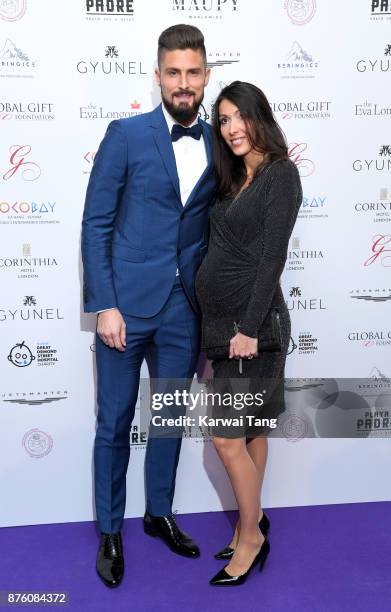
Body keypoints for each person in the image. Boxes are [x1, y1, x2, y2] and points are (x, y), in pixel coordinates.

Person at [81, 24, 216, 588]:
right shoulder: (127, 134)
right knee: (113, 423)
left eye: (193, 73)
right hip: (126, 309)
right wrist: (104, 304)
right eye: (173, 72)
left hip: (184, 310)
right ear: (158, 75)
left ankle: (158, 513)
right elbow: (96, 222)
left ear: (206, 75)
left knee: (167, 422)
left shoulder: (220, 142)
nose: (183, 84)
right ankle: (110, 530)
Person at [195, 81, 302, 586]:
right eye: (223, 119)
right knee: (253, 430)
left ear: (261, 117)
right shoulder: (235, 177)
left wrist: (248, 328)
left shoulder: (281, 175)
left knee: (226, 437)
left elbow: (271, 258)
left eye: (241, 116)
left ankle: (252, 536)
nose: (233, 128)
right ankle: (248, 525)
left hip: (252, 329)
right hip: (224, 326)